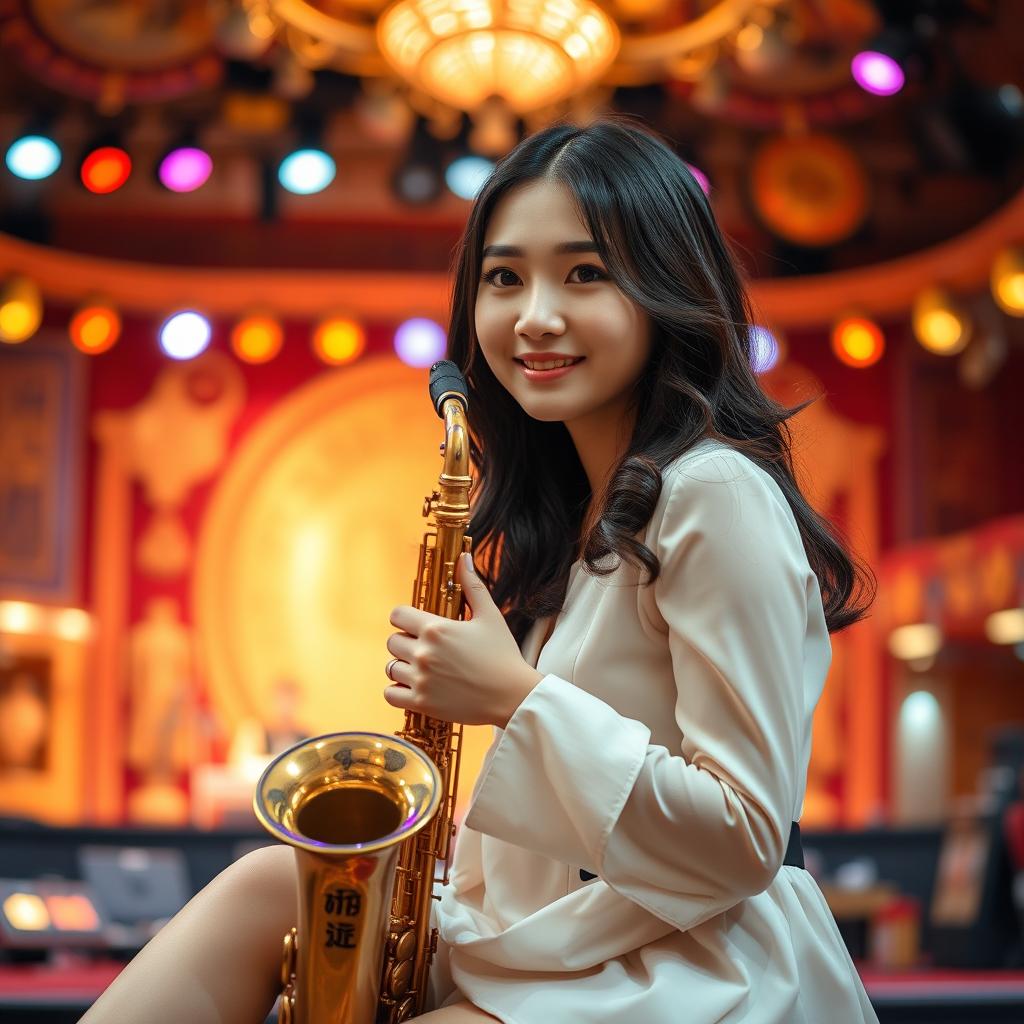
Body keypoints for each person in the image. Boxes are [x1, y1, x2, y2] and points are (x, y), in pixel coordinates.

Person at [81, 114, 879, 1024]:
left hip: (688, 967)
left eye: (584, 273)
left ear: (665, 289)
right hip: (571, 942)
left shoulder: (716, 490)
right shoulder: (581, 523)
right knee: (271, 884)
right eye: (505, 278)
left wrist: (514, 699)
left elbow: (743, 840)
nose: (534, 316)